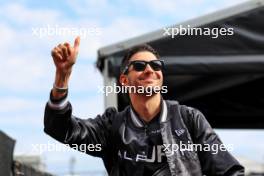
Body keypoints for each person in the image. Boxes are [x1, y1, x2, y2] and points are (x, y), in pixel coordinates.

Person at [44, 36, 245, 176]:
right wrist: (62, 77)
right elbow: (62, 129)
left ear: (161, 76)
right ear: (124, 80)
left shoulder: (189, 119)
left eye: (156, 66)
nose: (149, 70)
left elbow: (229, 171)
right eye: (139, 66)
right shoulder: (111, 125)